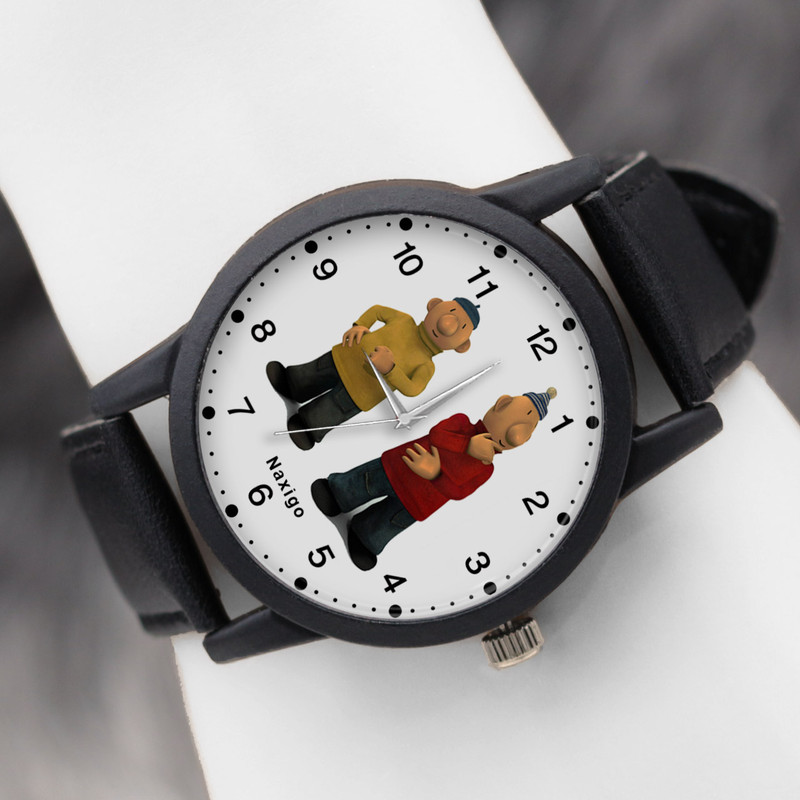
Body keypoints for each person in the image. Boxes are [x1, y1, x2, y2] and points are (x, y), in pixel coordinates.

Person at [311, 388, 557, 569]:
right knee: (365, 482)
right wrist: (467, 445)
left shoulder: (486, 468)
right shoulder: (461, 422)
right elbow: (437, 435)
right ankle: (337, 492)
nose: (517, 436)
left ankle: (366, 537)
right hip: (398, 467)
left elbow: (459, 493)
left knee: (386, 524)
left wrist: (436, 474)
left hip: (418, 503)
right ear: (501, 404)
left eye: (527, 431)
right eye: (520, 422)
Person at [267, 297, 481, 450]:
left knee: (330, 410)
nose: (447, 325)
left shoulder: (427, 365)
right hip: (344, 356)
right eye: (450, 313)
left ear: (462, 346)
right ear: (434, 305)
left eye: (460, 326)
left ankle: (309, 428)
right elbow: (378, 310)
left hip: (360, 393)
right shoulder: (404, 320)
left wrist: (390, 369)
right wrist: (360, 325)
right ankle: (292, 382)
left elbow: (413, 389)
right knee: (312, 373)